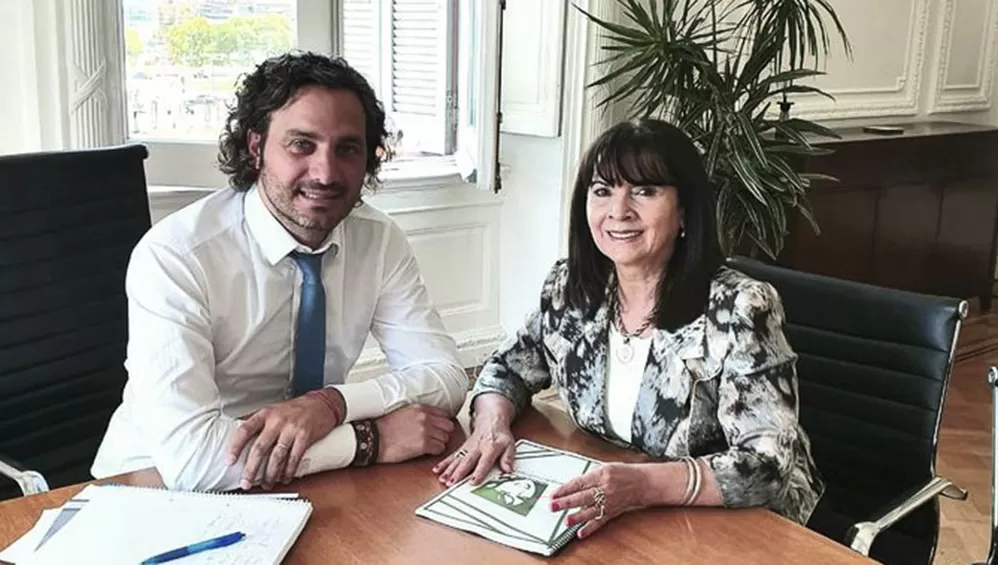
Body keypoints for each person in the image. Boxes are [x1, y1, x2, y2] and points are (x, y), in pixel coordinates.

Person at [92, 52, 467, 492]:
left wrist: (330, 404)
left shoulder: (378, 240)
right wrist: (370, 439)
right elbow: (194, 463)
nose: (326, 173)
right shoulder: (177, 255)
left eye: (347, 148)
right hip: (152, 487)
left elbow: (447, 377)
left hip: (304, 482)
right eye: (301, 145)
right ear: (256, 148)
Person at [432, 118, 824, 538]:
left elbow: (768, 465)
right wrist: (493, 424)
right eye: (603, 191)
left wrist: (641, 486)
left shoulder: (740, 308)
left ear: (685, 211)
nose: (619, 211)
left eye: (644, 190)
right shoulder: (571, 288)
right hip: (628, 510)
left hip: (735, 525)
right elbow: (506, 369)